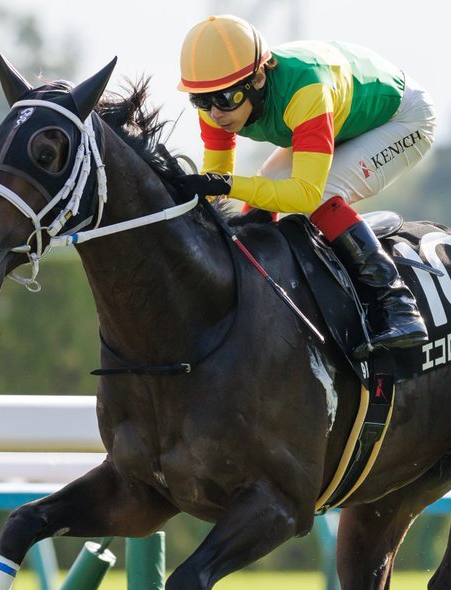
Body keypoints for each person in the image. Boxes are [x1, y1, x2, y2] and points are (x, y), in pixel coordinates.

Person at [172, 14, 435, 356]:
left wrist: (226, 185)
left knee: (319, 193)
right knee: (264, 192)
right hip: (345, 116)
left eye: (226, 99)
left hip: (403, 119)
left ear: (260, 76)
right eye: (201, 101)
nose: (216, 113)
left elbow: (304, 193)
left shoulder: (304, 89)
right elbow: (215, 190)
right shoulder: (216, 100)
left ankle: (398, 305)